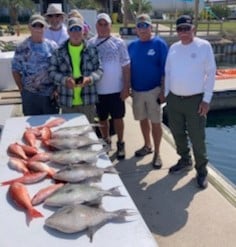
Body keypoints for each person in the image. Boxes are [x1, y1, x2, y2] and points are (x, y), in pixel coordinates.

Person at [164, 15, 216, 189]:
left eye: (187, 28)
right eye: (180, 29)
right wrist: (166, 95)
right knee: (177, 133)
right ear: (176, 31)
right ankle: (185, 159)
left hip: (195, 100)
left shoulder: (204, 46)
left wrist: (206, 100)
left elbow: (211, 73)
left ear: (193, 28)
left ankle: (201, 171)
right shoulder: (174, 48)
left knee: (197, 137)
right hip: (174, 99)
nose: (183, 32)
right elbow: (168, 71)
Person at [88, 13, 130, 160]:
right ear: (96, 26)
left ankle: (121, 143)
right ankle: (106, 141)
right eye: (100, 24)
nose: (103, 27)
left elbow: (126, 66)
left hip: (116, 90)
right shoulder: (90, 43)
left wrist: (126, 87)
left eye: (106, 24)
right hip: (98, 90)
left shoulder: (119, 43)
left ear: (110, 25)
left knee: (118, 118)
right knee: (102, 118)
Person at [128, 14, 168, 168]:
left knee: (156, 122)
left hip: (154, 90)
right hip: (137, 91)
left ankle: (157, 153)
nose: (143, 29)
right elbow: (127, 69)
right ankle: (147, 145)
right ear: (136, 29)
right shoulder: (131, 46)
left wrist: (164, 91)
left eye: (146, 26)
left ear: (151, 27)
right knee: (142, 119)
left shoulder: (159, 44)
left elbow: (166, 70)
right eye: (140, 26)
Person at [48, 17, 103, 123]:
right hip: (67, 102)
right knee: (69, 135)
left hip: (87, 101)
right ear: (68, 31)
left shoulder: (92, 49)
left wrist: (89, 79)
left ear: (83, 31)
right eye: (73, 29)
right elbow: (51, 72)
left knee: (87, 134)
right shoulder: (58, 51)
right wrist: (64, 80)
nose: (76, 33)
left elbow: (99, 70)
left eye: (78, 29)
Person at [11, 14, 59, 116]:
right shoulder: (21, 47)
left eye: (40, 25)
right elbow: (15, 70)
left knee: (50, 127)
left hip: (49, 95)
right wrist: (21, 89)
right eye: (35, 25)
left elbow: (59, 69)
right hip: (30, 95)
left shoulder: (53, 46)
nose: (38, 28)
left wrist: (57, 89)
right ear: (29, 27)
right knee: (32, 129)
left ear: (45, 27)